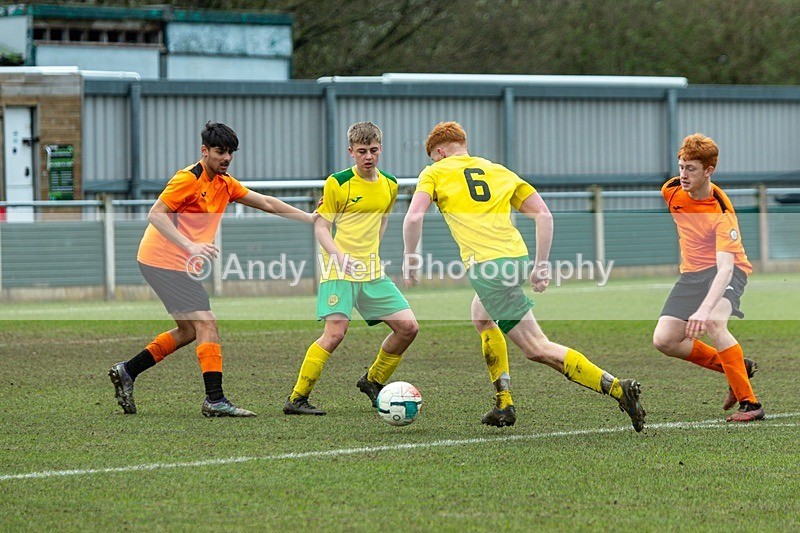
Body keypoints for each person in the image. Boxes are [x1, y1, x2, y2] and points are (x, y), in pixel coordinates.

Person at [402, 121, 645, 431]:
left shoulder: (433, 172)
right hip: (516, 259)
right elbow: (544, 215)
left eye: (434, 157)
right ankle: (504, 404)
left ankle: (617, 388)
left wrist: (411, 258)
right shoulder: (498, 170)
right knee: (481, 314)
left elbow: (413, 217)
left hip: (487, 269)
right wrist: (541, 265)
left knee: (536, 347)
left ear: (438, 152)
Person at [109, 121, 317, 417]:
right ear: (204, 150)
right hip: (162, 259)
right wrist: (190, 246)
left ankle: (128, 370)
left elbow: (268, 203)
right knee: (207, 323)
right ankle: (215, 400)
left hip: (172, 263)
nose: (226, 157)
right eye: (220, 151)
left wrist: (310, 218)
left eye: (231, 152)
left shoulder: (225, 183)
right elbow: (156, 214)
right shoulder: (188, 179)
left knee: (188, 330)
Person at [283, 121, 419, 415]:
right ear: (351, 152)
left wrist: (374, 254)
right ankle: (297, 399)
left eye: (373, 150)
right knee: (335, 334)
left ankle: (373, 381)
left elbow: (382, 220)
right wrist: (339, 256)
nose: (368, 156)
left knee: (408, 327)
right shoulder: (337, 182)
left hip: (371, 271)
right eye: (361, 151)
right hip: (338, 270)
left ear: (380, 149)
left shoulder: (391, 184)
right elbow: (321, 228)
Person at [652, 133, 764, 422]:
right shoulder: (670, 191)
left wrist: (703, 310)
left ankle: (751, 404)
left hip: (728, 271)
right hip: (691, 274)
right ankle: (736, 365)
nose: (683, 175)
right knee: (664, 340)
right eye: (681, 167)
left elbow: (725, 268)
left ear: (708, 171)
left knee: (714, 321)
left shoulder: (722, 212)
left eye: (691, 168)